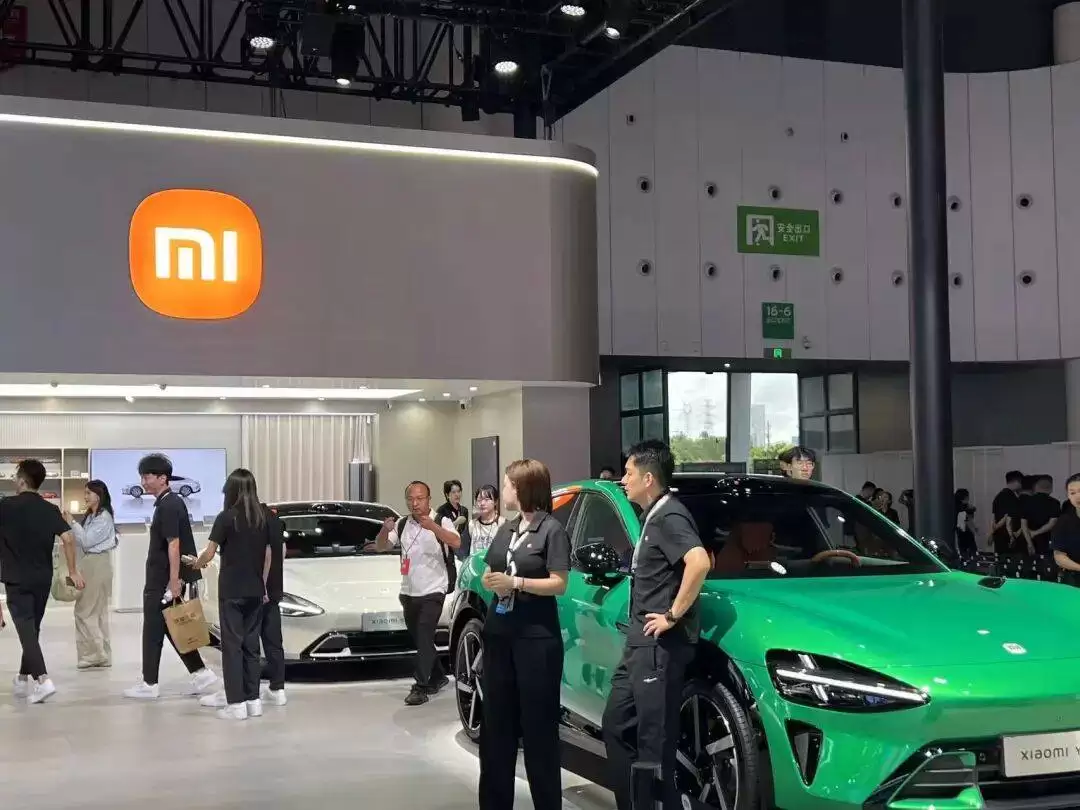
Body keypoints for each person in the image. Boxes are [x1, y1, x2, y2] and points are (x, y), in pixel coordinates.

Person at [603, 440, 712, 810]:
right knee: (617, 724)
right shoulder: (653, 515)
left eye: (628, 473)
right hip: (640, 644)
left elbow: (699, 562)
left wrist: (672, 615)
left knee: (653, 742)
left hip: (659, 647)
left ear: (648, 479)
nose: (623, 480)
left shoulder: (669, 516)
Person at [478, 459, 570, 810]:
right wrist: (492, 580)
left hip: (536, 640)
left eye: (506, 484)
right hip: (499, 635)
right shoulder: (507, 528)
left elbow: (559, 584)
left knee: (538, 730)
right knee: (495, 727)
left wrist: (516, 582)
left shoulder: (552, 530)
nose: (502, 490)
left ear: (521, 488)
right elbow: (491, 568)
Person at [123, 453, 217, 700]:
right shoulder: (168, 503)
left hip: (163, 579)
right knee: (169, 625)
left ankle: (150, 683)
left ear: (163, 478)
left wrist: (173, 581)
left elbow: (174, 544)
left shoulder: (169, 505)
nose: (143, 482)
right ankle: (200, 672)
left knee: (153, 629)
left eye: (147, 477)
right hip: (164, 577)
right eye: (142, 477)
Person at [190, 469, 276, 720]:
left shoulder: (226, 518)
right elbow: (268, 555)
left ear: (231, 490)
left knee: (232, 647)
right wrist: (263, 585)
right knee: (252, 647)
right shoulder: (263, 517)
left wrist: (196, 563)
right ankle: (253, 701)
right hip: (255, 590)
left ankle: (236, 704)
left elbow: (209, 552)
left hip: (232, 590)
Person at [0, 459, 84, 703]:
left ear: (22, 480)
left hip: (16, 577)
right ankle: (22, 678)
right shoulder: (49, 509)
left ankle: (43, 679)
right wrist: (73, 571)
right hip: (42, 577)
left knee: (26, 629)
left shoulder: (5, 506)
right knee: (32, 628)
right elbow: (68, 538)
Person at [375, 480, 460, 705]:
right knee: (422, 640)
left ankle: (420, 686)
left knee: (424, 635)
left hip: (434, 590)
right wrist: (384, 530)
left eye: (420, 498)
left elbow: (456, 542)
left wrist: (433, 527)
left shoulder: (441, 520)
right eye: (410, 499)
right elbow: (382, 546)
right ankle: (439, 676)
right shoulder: (402, 523)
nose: (415, 503)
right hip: (409, 592)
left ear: (428, 499)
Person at [64, 479, 117, 669]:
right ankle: (101, 654)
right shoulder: (92, 516)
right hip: (92, 562)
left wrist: (72, 522)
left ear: (99, 495)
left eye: (88, 493)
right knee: (96, 611)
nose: (85, 496)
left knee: (84, 610)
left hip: (96, 564)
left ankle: (93, 655)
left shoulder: (103, 518)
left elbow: (86, 541)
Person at [459, 484, 504, 559]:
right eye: (479, 500)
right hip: (475, 565)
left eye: (487, 499)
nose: (482, 503)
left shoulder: (503, 524)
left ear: (495, 501)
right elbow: (462, 551)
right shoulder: (472, 525)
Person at [1020, 475, 1060, 557]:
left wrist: (1029, 543)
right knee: (1047, 562)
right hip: (1047, 540)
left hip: (1028, 538)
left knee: (1028, 562)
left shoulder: (1026, 501)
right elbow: (1052, 523)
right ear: (1051, 489)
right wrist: (1035, 533)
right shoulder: (1055, 502)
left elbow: (1023, 524)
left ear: (1035, 488)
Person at [1052, 473, 1080, 585]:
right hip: (1074, 579)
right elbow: (1059, 557)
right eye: (1072, 493)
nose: (1077, 496)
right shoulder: (1064, 521)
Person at [990, 470, 1023, 556]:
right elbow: (1008, 518)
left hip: (999, 536)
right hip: (1009, 536)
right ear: (1016, 482)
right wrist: (1012, 536)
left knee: (1000, 560)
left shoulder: (998, 496)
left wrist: (992, 532)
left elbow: (994, 518)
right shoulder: (1012, 498)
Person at [954, 489, 977, 557]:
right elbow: (967, 520)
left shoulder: (955, 506)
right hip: (966, 531)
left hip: (959, 532)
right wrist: (974, 529)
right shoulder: (963, 509)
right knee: (972, 550)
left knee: (963, 550)